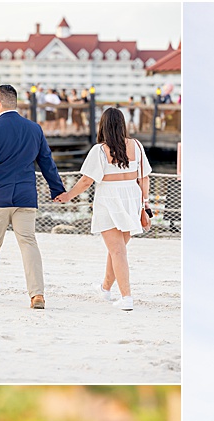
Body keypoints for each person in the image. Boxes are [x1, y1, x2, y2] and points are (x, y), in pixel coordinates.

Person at [0, 84, 65, 310]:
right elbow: (47, 163)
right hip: (25, 197)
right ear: (15, 103)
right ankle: (37, 295)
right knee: (29, 243)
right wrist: (57, 190)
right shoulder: (34, 129)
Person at [53, 106, 151, 311]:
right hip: (131, 199)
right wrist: (145, 204)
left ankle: (126, 297)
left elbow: (87, 180)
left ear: (103, 126)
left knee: (117, 251)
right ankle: (105, 289)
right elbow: (144, 178)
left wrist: (68, 196)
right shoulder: (137, 146)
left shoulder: (99, 150)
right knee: (117, 250)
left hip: (109, 199)